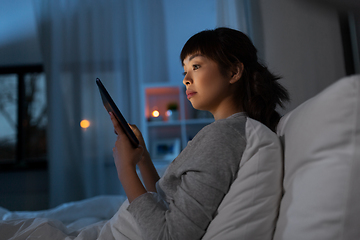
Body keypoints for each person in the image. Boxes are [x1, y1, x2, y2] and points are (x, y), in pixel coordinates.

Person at [109, 27, 290, 240]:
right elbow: (167, 201)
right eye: (184, 70)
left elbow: (169, 235)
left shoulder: (222, 138)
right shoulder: (224, 132)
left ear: (233, 72)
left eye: (196, 66)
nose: (186, 79)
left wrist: (124, 169)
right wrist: (142, 158)